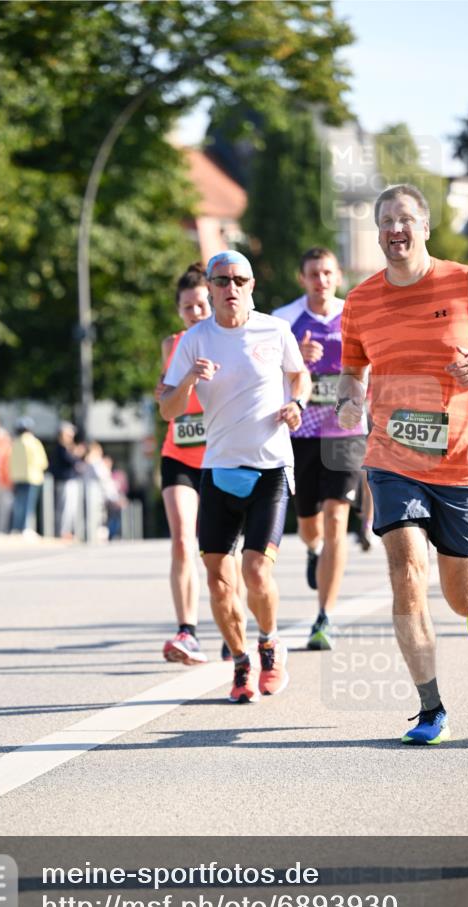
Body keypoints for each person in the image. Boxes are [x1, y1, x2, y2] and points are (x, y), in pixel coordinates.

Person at [337, 183, 468, 745]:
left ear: (425, 227)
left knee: (460, 590)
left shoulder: (465, 281)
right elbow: (351, 368)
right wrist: (346, 398)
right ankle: (430, 706)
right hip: (392, 455)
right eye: (386, 219)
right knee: (405, 570)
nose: (396, 229)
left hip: (462, 459)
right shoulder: (360, 301)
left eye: (406, 219)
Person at [160, 250, 311, 703]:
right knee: (218, 579)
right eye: (221, 281)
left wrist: (297, 404)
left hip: (270, 466)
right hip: (219, 468)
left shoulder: (276, 329)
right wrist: (187, 380)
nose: (231, 289)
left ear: (251, 285)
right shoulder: (194, 339)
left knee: (256, 570)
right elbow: (167, 409)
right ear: (208, 286)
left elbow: (299, 375)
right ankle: (241, 663)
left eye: (238, 280)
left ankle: (269, 642)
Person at [273, 248, 367, 650]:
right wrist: (300, 362)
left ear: (339, 276)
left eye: (328, 272)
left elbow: (372, 369)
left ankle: (324, 616)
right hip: (301, 435)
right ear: (303, 278)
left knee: (335, 520)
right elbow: (267, 378)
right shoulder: (284, 320)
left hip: (346, 431)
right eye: (314, 273)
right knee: (309, 523)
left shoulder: (355, 315)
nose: (321, 280)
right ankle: (313, 551)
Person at [155, 263, 212, 665]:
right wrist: (168, 388)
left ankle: (232, 625)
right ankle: (186, 629)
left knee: (221, 551)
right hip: (178, 452)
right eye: (189, 307)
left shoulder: (230, 341)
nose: (196, 313)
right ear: (180, 311)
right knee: (181, 540)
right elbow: (166, 395)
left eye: (202, 305)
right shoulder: (172, 344)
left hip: (222, 456)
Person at [9, 416, 48, 533]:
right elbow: (43, 462)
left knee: (18, 504)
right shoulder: (33, 442)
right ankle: (25, 528)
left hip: (17, 477)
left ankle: (16, 527)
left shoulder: (15, 442)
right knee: (28, 505)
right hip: (32, 477)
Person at [52, 421, 83, 540]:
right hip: (65, 481)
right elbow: (71, 461)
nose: (71, 437)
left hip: (71, 481)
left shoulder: (67, 448)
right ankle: (63, 531)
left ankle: (68, 531)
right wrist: (76, 453)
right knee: (65, 508)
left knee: (71, 508)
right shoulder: (61, 448)